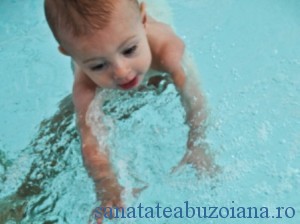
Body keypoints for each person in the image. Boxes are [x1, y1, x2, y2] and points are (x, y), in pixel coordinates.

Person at [44, 0, 215, 222]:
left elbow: (196, 100)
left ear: (143, 21)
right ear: (68, 53)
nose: (122, 72)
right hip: (113, 67)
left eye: (129, 50)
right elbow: (90, 141)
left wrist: (197, 144)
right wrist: (107, 186)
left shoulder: (168, 51)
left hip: (155, 57)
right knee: (64, 126)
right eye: (98, 65)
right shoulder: (85, 84)